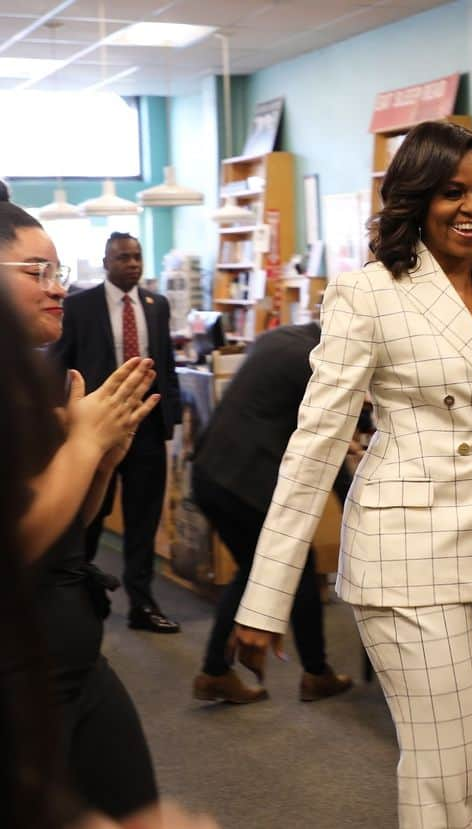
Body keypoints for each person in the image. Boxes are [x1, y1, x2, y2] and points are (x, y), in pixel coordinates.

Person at [231, 120, 472, 829]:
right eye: (451, 191)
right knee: (442, 772)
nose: (471, 207)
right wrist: (265, 596)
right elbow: (316, 443)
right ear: (415, 197)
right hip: (408, 554)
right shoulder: (368, 292)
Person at [0, 188, 162, 819]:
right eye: (36, 271)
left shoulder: (28, 379)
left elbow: (67, 527)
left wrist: (99, 462)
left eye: (58, 272)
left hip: (75, 659)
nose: (57, 287)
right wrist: (85, 441)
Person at [190, 321, 355, 704]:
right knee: (291, 565)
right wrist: (357, 506)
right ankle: (315, 674)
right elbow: (327, 448)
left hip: (210, 472)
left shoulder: (279, 338)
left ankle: (216, 671)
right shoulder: (318, 363)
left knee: (256, 570)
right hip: (245, 483)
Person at [51, 232, 183, 634]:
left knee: (144, 521)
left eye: (138, 257)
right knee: (90, 517)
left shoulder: (155, 305)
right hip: (97, 427)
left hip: (145, 428)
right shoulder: (78, 306)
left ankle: (143, 604)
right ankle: (79, 595)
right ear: (106, 262)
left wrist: (169, 420)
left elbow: (167, 363)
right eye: (123, 257)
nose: (133, 264)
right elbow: (59, 362)